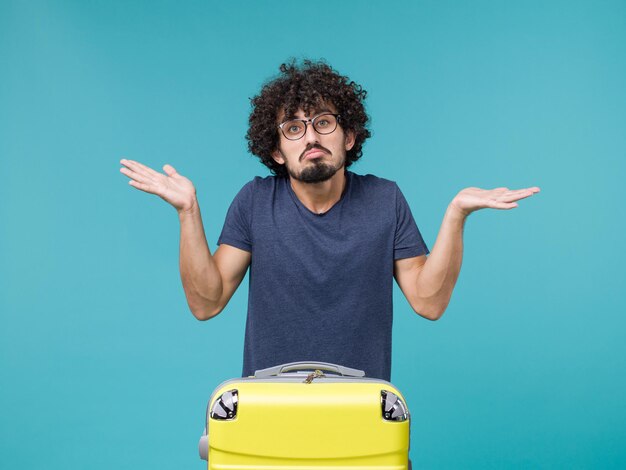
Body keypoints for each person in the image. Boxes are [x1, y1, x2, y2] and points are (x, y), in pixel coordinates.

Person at [119, 60, 539, 381]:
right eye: (294, 128)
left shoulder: (384, 199)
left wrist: (456, 215)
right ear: (277, 151)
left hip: (359, 408)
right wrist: (188, 211)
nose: (312, 138)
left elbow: (428, 303)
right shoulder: (254, 201)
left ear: (349, 137)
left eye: (323, 122)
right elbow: (205, 303)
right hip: (271, 405)